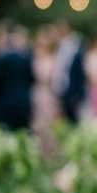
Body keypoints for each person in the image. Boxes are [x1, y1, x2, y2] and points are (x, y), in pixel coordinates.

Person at [0, 25, 35, 131]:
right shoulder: (26, 59)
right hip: (23, 101)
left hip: (4, 103)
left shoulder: (1, 59)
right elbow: (31, 79)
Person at [30, 26, 61, 157]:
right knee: (35, 124)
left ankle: (49, 154)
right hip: (35, 93)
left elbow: (56, 81)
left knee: (48, 126)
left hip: (48, 95)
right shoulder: (33, 58)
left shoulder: (53, 60)